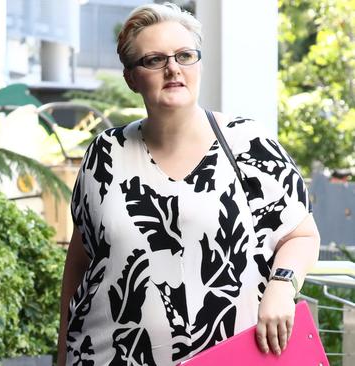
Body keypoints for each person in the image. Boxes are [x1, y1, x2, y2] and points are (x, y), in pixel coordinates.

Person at [57, 3, 320, 366]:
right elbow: (80, 261)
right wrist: (62, 354)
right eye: (154, 59)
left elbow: (302, 235)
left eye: (185, 55)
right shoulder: (105, 154)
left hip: (232, 358)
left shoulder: (248, 144)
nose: (173, 68)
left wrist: (282, 286)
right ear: (131, 77)